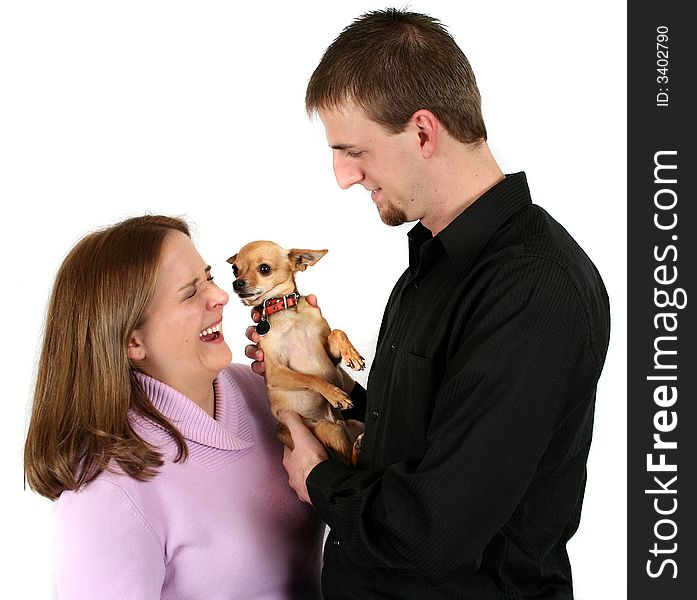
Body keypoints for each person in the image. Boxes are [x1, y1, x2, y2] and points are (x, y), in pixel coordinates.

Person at [246, 9, 611, 600]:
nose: (342, 176)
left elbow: (431, 532)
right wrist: (317, 385)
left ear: (422, 131)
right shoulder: (432, 265)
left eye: (353, 150)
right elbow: (427, 439)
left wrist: (319, 477)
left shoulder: (534, 287)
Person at [24, 215, 324, 599]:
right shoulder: (109, 493)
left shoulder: (261, 392)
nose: (220, 296)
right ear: (133, 342)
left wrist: (322, 367)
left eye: (210, 276)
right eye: (189, 292)